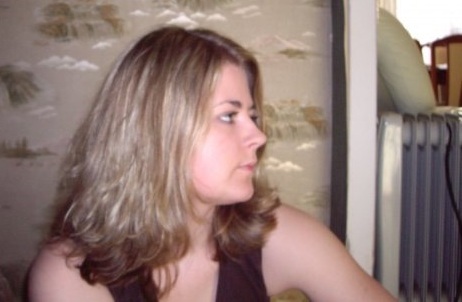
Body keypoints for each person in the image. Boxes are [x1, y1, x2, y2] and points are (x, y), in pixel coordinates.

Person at [28, 26, 395, 302]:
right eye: (228, 116)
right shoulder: (71, 273)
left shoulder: (274, 233)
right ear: (157, 131)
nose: (259, 136)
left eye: (252, 116)